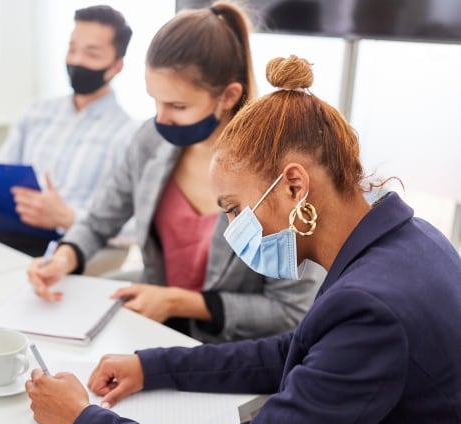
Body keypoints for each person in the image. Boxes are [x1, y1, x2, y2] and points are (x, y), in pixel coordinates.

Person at [25, 55, 461, 424]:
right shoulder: (412, 240)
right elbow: (295, 351)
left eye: (233, 209)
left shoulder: (372, 310)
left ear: (293, 186)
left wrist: (83, 421)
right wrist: (153, 367)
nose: (232, 229)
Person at [29, 3, 324, 343]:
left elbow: (290, 310)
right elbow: (98, 221)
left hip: (228, 349)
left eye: (177, 106)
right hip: (153, 326)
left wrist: (180, 302)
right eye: (155, 101)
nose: (161, 119)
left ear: (228, 95)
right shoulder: (150, 141)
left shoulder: (276, 176)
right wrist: (62, 259)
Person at [0, 5, 137, 257]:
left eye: (91, 54)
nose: (76, 60)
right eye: (72, 49)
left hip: (63, 248)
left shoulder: (127, 135)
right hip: (3, 234)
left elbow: (136, 226)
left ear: (116, 66)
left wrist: (67, 217)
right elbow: (2, 167)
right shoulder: (38, 112)